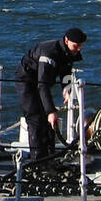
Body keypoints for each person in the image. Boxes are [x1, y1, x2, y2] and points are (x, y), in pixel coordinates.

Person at [15, 27, 87, 166]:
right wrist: (50, 111)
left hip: (43, 81)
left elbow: (66, 70)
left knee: (49, 124)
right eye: (76, 46)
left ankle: (50, 158)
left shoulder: (68, 52)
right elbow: (42, 85)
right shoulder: (49, 53)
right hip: (27, 81)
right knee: (36, 119)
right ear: (66, 40)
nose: (78, 49)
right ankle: (38, 163)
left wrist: (66, 89)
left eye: (81, 47)